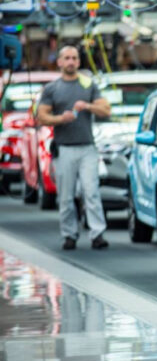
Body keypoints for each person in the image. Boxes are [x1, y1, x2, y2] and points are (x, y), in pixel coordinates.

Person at [37, 46, 111, 250]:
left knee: (91, 191)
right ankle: (69, 234)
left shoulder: (88, 85)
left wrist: (87, 106)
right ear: (59, 62)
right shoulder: (52, 89)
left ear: (79, 62)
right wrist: (61, 118)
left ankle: (97, 234)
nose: (71, 62)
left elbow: (105, 109)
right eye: (67, 58)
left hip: (87, 147)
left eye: (74, 58)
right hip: (64, 148)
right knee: (66, 195)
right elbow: (41, 116)